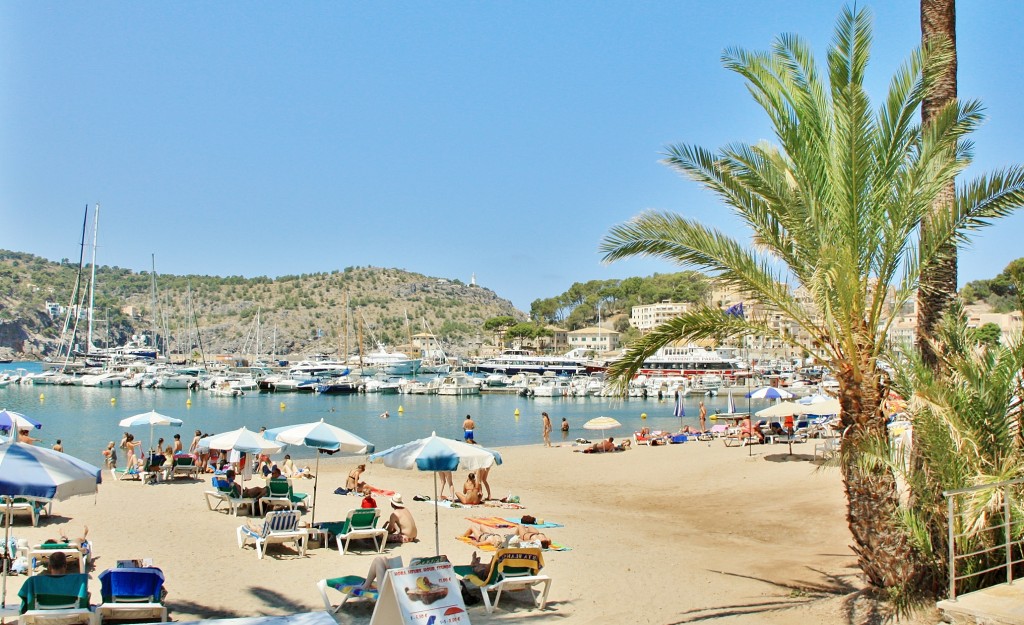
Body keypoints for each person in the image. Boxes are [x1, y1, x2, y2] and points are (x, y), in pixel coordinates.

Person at [462, 520, 551, 549]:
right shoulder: (499, 539)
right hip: (488, 535)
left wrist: (470, 541)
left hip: (485, 536)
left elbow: (477, 544)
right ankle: (514, 535)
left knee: (473, 527)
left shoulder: (541, 540)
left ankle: (462, 536)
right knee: (480, 526)